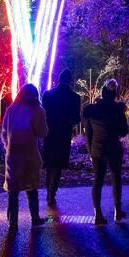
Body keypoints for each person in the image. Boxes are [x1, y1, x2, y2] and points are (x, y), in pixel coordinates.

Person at [1, 83, 49, 230]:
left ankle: (13, 223)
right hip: (29, 155)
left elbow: (4, 132)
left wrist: (8, 146)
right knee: (31, 188)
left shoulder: (11, 109)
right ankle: (35, 218)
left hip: (13, 155)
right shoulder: (37, 110)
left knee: (13, 191)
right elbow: (43, 133)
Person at [82, 79, 129, 224]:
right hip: (114, 147)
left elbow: (88, 134)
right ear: (114, 94)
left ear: (102, 93)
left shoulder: (92, 110)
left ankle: (98, 213)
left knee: (98, 179)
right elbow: (124, 131)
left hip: (97, 148)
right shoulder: (117, 109)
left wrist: (90, 151)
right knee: (116, 178)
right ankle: (117, 210)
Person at [40, 69, 82, 208]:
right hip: (64, 134)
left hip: (49, 133)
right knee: (58, 164)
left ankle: (49, 190)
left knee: (49, 163)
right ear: (70, 81)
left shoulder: (47, 95)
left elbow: (43, 113)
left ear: (59, 79)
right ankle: (52, 191)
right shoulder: (75, 97)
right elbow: (76, 119)